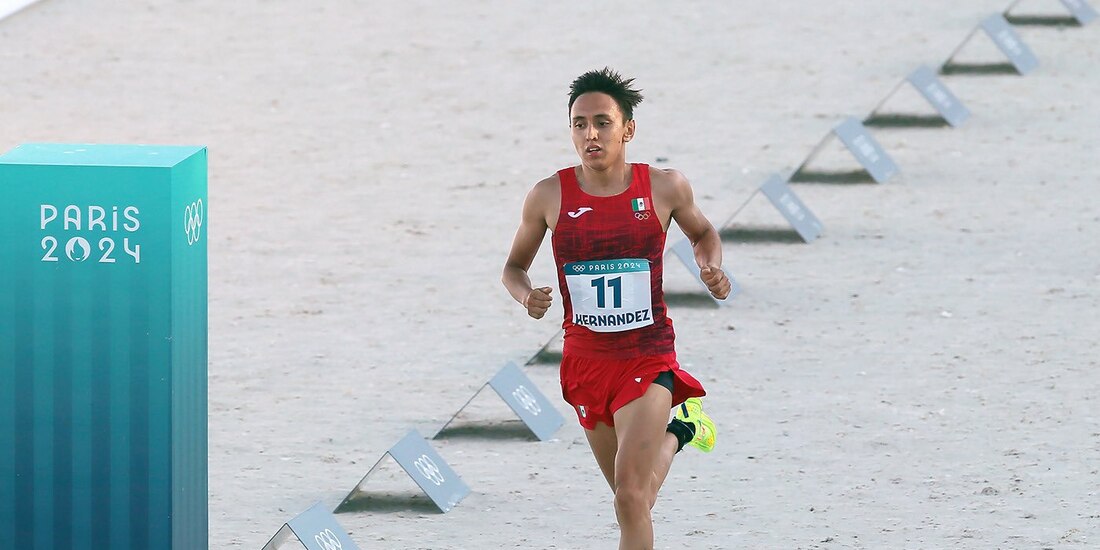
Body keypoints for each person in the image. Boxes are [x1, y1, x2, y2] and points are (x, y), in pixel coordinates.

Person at [501, 67, 732, 549]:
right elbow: (513, 268)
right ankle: (682, 430)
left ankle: (677, 422)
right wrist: (527, 296)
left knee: (628, 499)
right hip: (585, 362)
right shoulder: (548, 195)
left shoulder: (664, 187)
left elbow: (703, 233)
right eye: (580, 124)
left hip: (647, 357)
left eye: (603, 123)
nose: (591, 134)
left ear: (628, 129)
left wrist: (710, 267)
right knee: (637, 498)